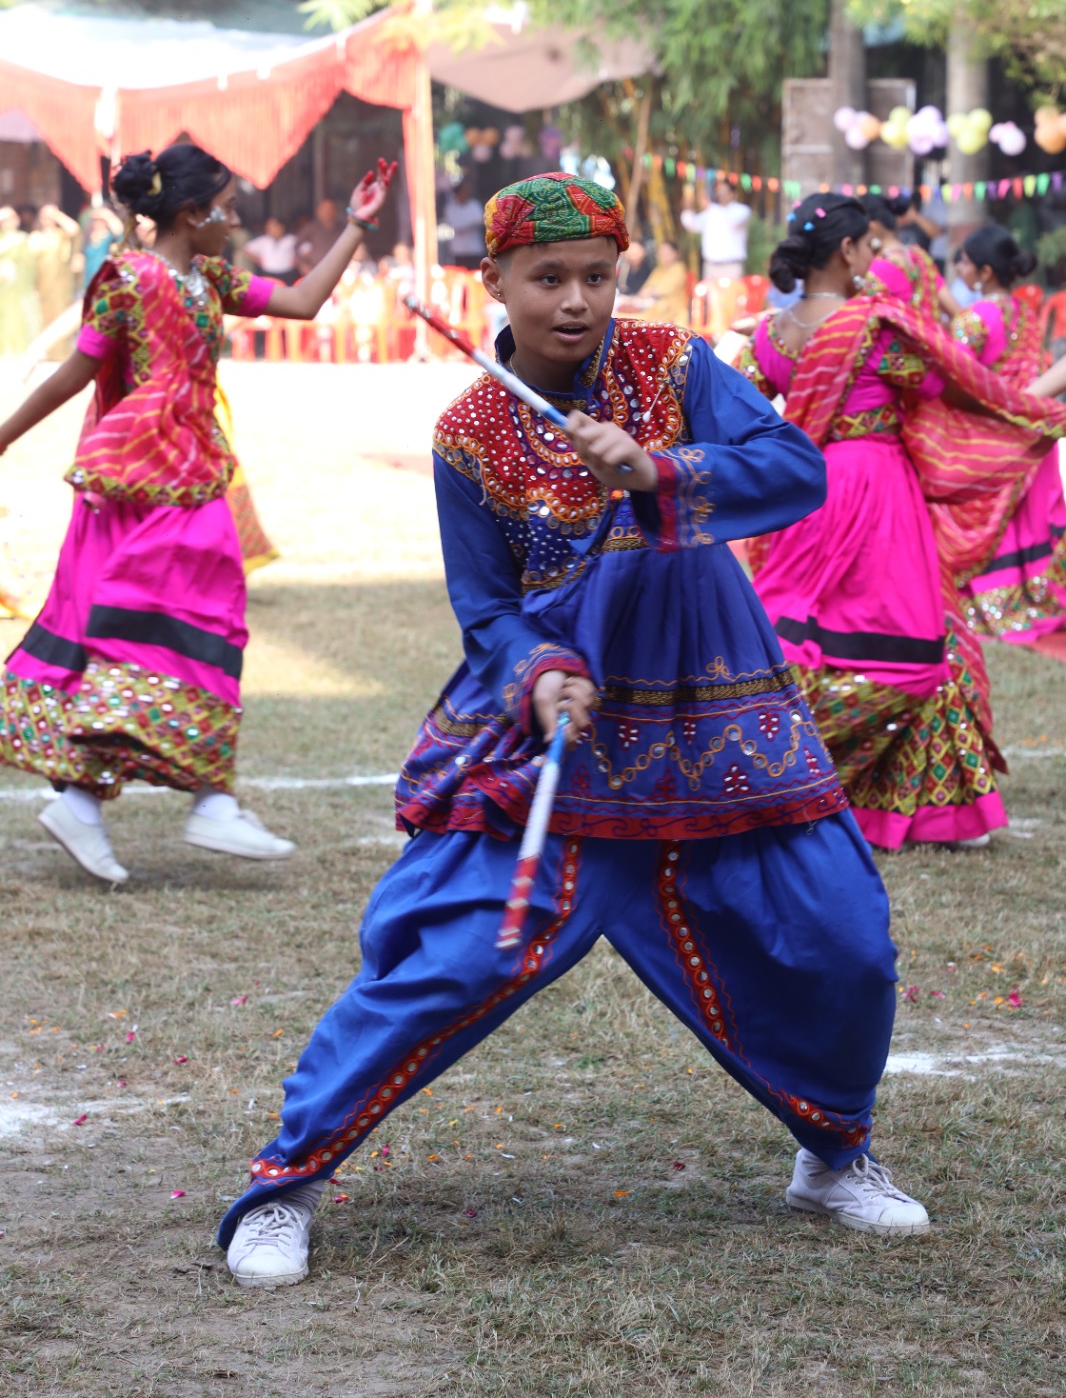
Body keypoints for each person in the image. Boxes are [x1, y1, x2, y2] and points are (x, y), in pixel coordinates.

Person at [220, 169, 932, 1292]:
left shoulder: (674, 365)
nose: (574, 300)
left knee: (841, 938)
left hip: (717, 717)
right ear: (492, 281)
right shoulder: (467, 435)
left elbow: (796, 469)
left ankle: (834, 1152)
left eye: (596, 276)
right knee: (448, 956)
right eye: (546, 277)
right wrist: (540, 670)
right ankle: (285, 1184)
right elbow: (485, 608)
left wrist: (657, 468)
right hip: (564, 732)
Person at [0, 143, 396, 886]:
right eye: (228, 208)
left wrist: (357, 224)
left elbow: (302, 302)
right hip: (143, 471)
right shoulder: (128, 279)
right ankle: (206, 800)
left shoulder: (209, 278)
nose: (235, 220)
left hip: (188, 465)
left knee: (147, 624)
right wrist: (3, 437)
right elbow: (74, 374)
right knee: (187, 615)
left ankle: (91, 803)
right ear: (191, 213)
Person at [737, 195, 1062, 852]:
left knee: (806, 638)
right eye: (871, 246)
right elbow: (953, 387)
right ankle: (807, 781)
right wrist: (1040, 404)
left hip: (805, 498)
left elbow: (747, 408)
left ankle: (793, 771)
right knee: (912, 651)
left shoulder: (771, 333)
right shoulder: (876, 326)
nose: (877, 257)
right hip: (878, 499)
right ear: (847, 250)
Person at [948, 225, 1066, 645]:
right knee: (1025, 524)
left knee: (986, 528)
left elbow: (954, 382)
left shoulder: (973, 318)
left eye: (964, 261)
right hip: (1031, 435)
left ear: (984, 271)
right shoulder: (1025, 314)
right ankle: (1037, 596)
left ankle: (994, 601)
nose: (959, 269)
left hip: (989, 442)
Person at [863, 195, 959, 324]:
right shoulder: (920, 257)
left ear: (872, 227)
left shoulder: (876, 269)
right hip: (929, 334)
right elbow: (955, 310)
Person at [680, 176, 751, 283]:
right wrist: (688, 208)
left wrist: (709, 206)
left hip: (731, 267)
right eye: (718, 191)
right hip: (710, 266)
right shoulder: (711, 212)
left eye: (723, 191)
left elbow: (731, 222)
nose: (720, 194)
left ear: (733, 194)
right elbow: (693, 225)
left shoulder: (741, 211)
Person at [623, 238, 691, 327]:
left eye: (667, 253)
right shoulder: (659, 269)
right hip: (654, 309)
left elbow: (664, 288)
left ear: (676, 253)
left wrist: (649, 292)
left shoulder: (678, 268)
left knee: (632, 321)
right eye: (661, 252)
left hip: (672, 311)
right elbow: (646, 287)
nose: (664, 255)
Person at [0, 205, 40, 355]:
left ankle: (20, 349)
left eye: (9, 220)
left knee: (20, 314)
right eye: (4, 221)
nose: (7, 223)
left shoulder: (23, 239)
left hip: (19, 283)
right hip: (2, 285)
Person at [35, 204, 83, 327]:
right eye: (44, 216)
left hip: (60, 283)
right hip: (42, 284)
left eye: (50, 217)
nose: (47, 219)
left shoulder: (61, 234)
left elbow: (74, 229)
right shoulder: (36, 237)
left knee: (61, 316)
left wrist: (57, 215)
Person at [443, 180, 486, 271]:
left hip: (474, 249)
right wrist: (471, 223)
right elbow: (456, 225)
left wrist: (467, 224)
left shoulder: (474, 205)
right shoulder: (451, 208)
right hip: (458, 250)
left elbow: (480, 220)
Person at [296, 198, 345, 272]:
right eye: (324, 209)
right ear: (318, 211)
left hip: (340, 271)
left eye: (330, 209)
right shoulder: (309, 229)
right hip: (314, 271)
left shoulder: (344, 230)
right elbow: (297, 248)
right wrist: (303, 265)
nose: (327, 212)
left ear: (336, 211)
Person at [245, 217, 299, 285]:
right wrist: (259, 260)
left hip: (288, 274)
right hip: (268, 273)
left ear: (281, 227)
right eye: (268, 227)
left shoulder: (292, 239)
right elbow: (247, 249)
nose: (269, 229)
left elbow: (304, 250)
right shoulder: (263, 240)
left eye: (272, 227)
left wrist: (297, 260)